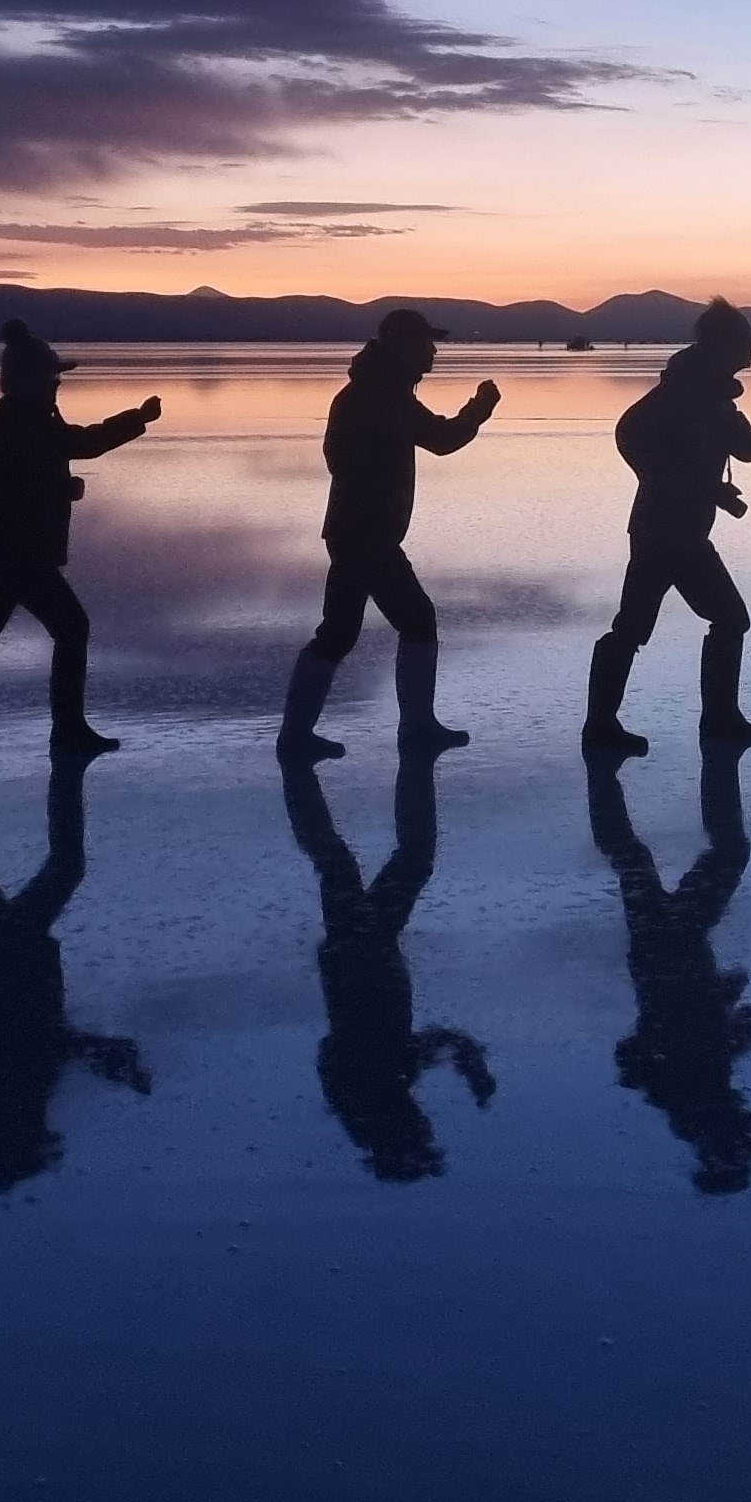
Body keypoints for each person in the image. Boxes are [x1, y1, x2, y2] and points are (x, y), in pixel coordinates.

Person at [0, 321, 158, 771]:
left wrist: (62, 488)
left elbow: (34, 474)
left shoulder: (24, 416)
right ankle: (67, 731)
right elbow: (78, 446)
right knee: (67, 628)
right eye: (52, 376)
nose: (58, 383)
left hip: (7, 554)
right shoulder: (22, 419)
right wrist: (136, 419)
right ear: (32, 379)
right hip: (15, 556)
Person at [0, 746, 149, 1190]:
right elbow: (56, 1041)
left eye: (39, 1139)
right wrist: (115, 1061)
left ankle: (65, 766)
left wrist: (116, 1060)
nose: (46, 1131)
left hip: (7, 955)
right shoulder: (1, 1093)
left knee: (61, 866)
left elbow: (46, 1037)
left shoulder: (15, 1090)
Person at [583, 298, 751, 754]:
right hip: (667, 533)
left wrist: (707, 490)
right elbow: (633, 434)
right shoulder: (693, 393)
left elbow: (730, 448)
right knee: (701, 621)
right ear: (724, 344)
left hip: (674, 530)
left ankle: (708, 720)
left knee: (684, 622)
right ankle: (620, 726)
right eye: (746, 337)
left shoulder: (703, 391)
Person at [587, 742, 751, 1195]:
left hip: (669, 945)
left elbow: (643, 1053)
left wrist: (712, 1002)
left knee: (711, 854)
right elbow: (743, 1027)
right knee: (640, 859)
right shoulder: (699, 1086)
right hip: (664, 948)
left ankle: (605, 769)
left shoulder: (694, 1085)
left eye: (747, 1134)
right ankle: (604, 774)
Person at [277, 308, 499, 758]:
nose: (433, 351)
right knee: (358, 629)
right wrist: (480, 408)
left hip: (365, 533)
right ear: (402, 346)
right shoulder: (379, 396)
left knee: (392, 623)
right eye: (425, 343)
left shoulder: (379, 391)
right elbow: (441, 439)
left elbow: (348, 455)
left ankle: (408, 727)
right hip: (364, 535)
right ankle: (306, 736)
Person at [283, 741, 493, 1182]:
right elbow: (435, 1043)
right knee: (370, 861)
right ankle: (314, 771)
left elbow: (347, 1050)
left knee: (360, 862)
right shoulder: (378, 1086)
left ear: (403, 1132)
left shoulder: (374, 1083)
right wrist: (470, 1062)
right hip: (361, 952)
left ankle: (301, 767)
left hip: (361, 952)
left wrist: (470, 1063)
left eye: (422, 1132)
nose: (427, 1123)